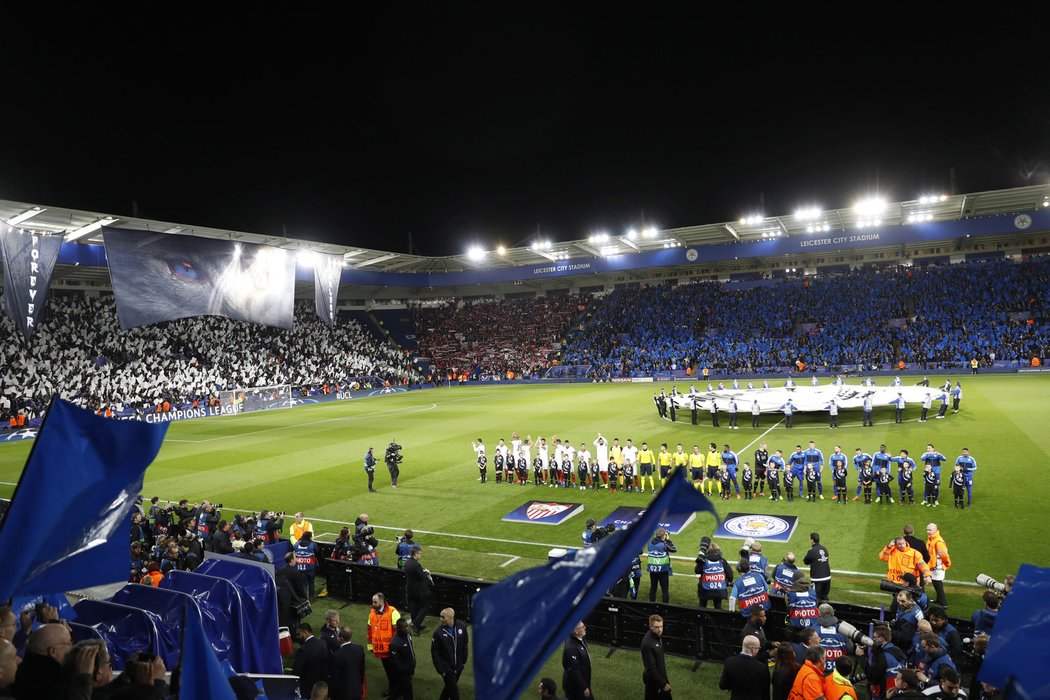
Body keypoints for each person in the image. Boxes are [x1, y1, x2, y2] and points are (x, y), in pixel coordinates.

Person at [11, 622, 72, 700]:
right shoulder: (57, 686)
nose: (72, 647)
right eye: (69, 643)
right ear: (53, 651)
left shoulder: (19, 672)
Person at [367, 592, 401, 696]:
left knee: (396, 671)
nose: (373, 604)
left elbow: (397, 632)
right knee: (389, 671)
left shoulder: (393, 612)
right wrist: (370, 645)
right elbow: (369, 630)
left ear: (382, 601)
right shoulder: (372, 612)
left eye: (375, 602)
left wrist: (394, 647)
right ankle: (393, 689)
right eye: (373, 602)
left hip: (391, 650)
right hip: (381, 649)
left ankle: (398, 690)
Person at [431, 608, 468, 700]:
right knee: (454, 695)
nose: (440, 619)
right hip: (447, 669)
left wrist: (463, 660)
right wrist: (441, 670)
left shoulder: (462, 627)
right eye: (440, 617)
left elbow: (465, 643)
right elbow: (435, 652)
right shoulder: (438, 633)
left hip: (459, 666)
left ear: (451, 617)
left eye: (443, 617)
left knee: (448, 690)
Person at [719, 635, 770, 700]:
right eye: (758, 648)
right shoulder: (762, 668)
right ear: (753, 649)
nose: (758, 650)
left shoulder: (729, 662)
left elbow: (723, 685)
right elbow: (766, 693)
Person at [294, 623, 331, 700]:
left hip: (307, 689)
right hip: (321, 686)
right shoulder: (323, 643)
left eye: (299, 634)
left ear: (305, 633)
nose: (297, 637)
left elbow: (297, 672)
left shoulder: (302, 650)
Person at [329, 627, 365, 700]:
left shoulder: (337, 655)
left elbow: (334, 678)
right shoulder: (359, 649)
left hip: (343, 693)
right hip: (357, 688)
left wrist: (331, 694)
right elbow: (362, 670)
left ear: (341, 639)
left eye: (338, 637)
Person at [640, 615, 671, 700]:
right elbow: (650, 668)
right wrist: (663, 684)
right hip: (654, 683)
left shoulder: (657, 637)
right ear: (650, 627)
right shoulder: (648, 644)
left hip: (660, 680)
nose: (660, 629)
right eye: (656, 627)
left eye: (661, 626)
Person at [404, 545, 433, 635]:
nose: (420, 555)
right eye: (419, 553)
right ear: (415, 554)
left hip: (410, 589)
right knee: (425, 606)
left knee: (413, 607)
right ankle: (416, 624)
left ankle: (416, 626)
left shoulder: (407, 563)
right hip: (419, 590)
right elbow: (421, 577)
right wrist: (426, 572)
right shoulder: (416, 564)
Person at [695, 541, 733, 609]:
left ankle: (700, 617)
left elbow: (697, 571)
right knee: (718, 606)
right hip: (719, 590)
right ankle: (718, 618)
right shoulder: (722, 561)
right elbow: (730, 576)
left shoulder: (703, 561)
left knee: (702, 606)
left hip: (705, 590)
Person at [561, 621, 592, 700]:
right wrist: (584, 687)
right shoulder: (572, 648)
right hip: (576, 687)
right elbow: (574, 671)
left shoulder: (579, 640)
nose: (585, 628)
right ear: (576, 631)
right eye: (582, 627)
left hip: (580, 684)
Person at [388, 618, 416, 700]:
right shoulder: (395, 643)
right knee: (408, 691)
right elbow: (394, 661)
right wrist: (405, 669)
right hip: (403, 671)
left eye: (407, 626)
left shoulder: (408, 634)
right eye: (404, 627)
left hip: (409, 667)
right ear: (399, 628)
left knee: (400, 687)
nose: (407, 628)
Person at [925, 523, 951, 609]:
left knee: (938, 585)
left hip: (938, 567)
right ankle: (939, 600)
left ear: (935, 530)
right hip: (933, 566)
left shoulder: (938, 542)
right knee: (936, 584)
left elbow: (944, 556)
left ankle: (944, 604)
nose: (928, 531)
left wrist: (947, 564)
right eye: (927, 530)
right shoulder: (932, 539)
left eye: (930, 530)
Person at [647, 528, 676, 603]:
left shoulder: (650, 543)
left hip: (653, 570)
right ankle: (665, 606)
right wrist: (667, 540)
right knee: (665, 590)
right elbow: (673, 549)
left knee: (653, 588)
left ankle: (651, 604)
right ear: (663, 536)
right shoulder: (664, 545)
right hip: (663, 571)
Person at [803, 532, 831, 602]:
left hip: (817, 579)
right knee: (825, 597)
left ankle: (817, 612)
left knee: (816, 598)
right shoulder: (824, 549)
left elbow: (805, 561)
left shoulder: (811, 551)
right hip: (827, 577)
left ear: (812, 540)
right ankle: (826, 612)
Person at [294, 530, 319, 598]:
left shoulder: (296, 544)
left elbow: (294, 551)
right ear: (309, 537)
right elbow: (317, 552)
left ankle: (304, 598)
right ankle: (312, 596)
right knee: (311, 582)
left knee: (303, 584)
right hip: (310, 567)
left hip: (300, 567)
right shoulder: (313, 544)